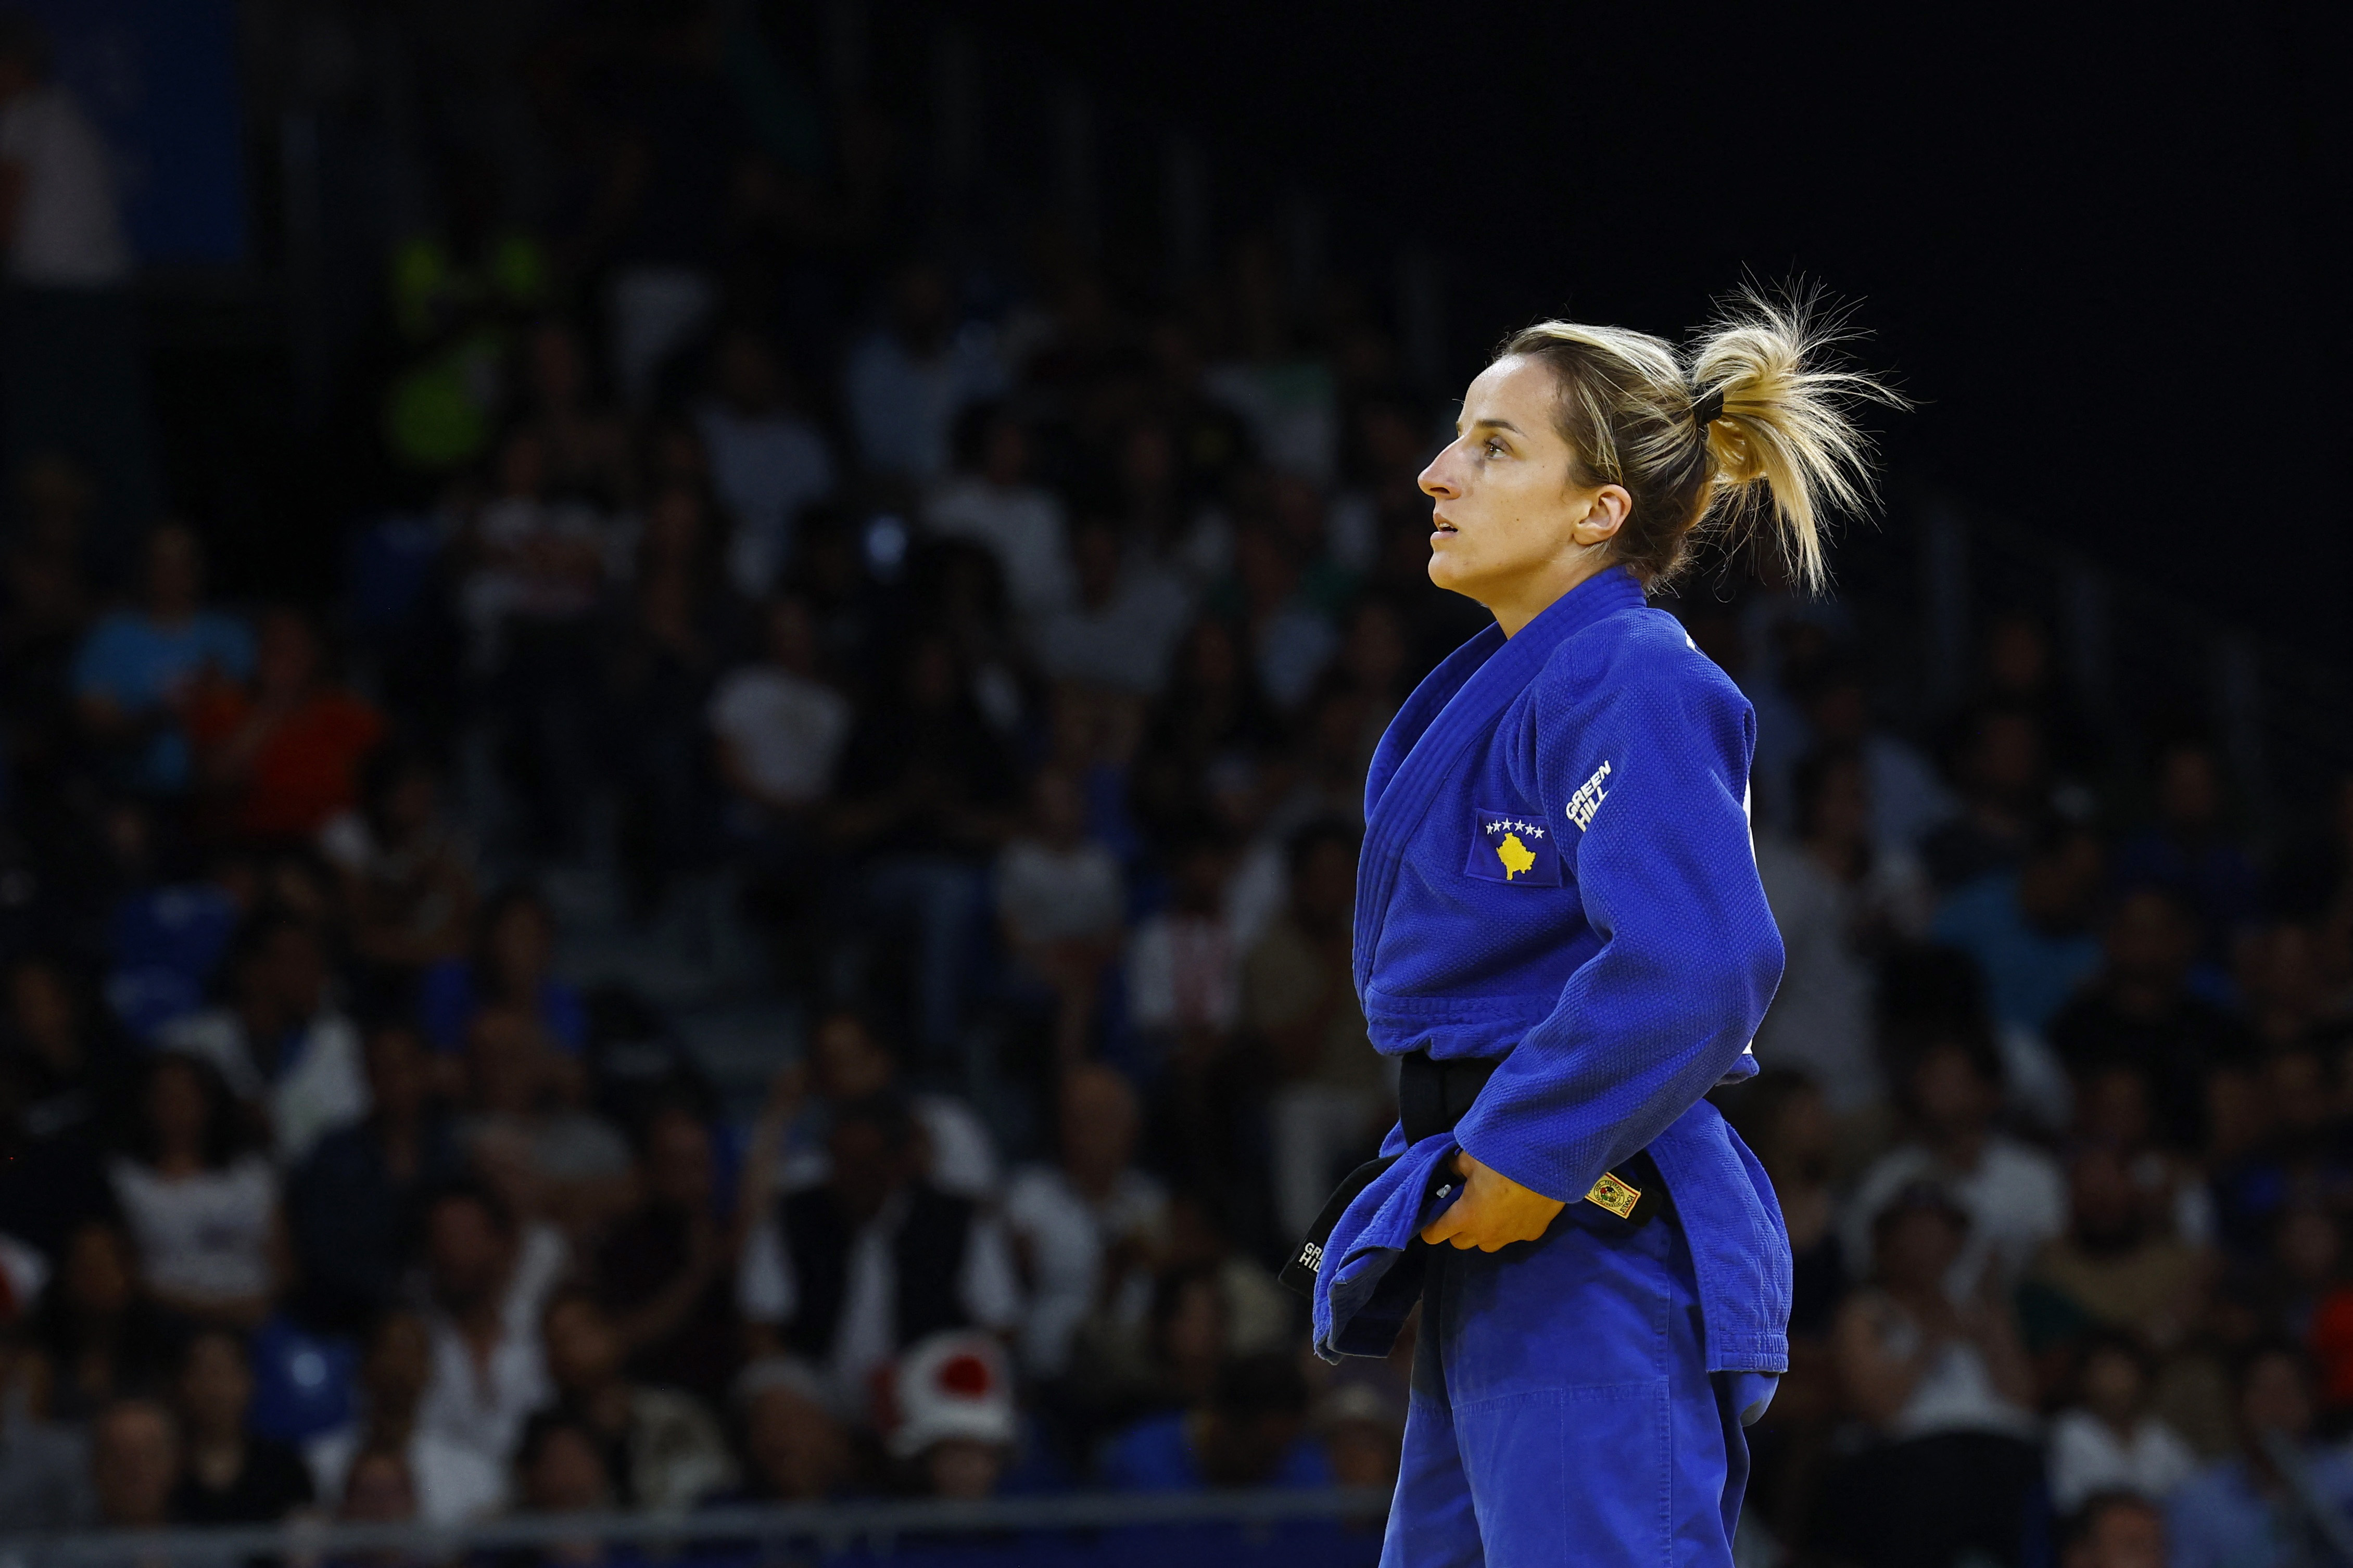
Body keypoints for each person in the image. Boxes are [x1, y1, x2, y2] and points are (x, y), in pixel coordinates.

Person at [1302, 295, 1890, 1564]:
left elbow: (1702, 960)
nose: (1435, 471)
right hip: (1510, 1222)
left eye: (1492, 445)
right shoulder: (1526, 677)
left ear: (1597, 510)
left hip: (1584, 1221)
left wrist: (1528, 1145)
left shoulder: (1635, 672)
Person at [107, 1052, 286, 1329]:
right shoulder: (126, 1179)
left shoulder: (252, 1173)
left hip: (257, 1318)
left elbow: (284, 1262)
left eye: (186, 1094)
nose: (176, 1106)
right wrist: (202, 1311)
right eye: (165, 1096)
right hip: (163, 1323)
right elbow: (122, 1271)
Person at [2167, 1342, 2353, 1568]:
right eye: (2263, 1392)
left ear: (2311, 1401)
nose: (2276, 1407)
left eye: (2288, 1391)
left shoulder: (2346, 1480)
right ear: (2238, 1404)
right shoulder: (2199, 1501)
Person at [169, 1327, 316, 1524]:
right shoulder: (166, 1465)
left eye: (222, 1373)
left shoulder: (282, 1467)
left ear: (249, 1382)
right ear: (183, 1384)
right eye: (202, 1374)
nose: (213, 1389)